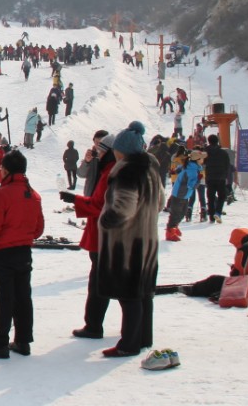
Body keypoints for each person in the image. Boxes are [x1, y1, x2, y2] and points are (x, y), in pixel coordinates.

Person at [95, 121, 163, 358]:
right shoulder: (150, 169)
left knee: (129, 295)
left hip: (127, 243)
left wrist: (105, 220)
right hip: (148, 238)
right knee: (144, 293)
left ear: (121, 150)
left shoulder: (127, 171)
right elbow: (161, 202)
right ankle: (143, 337)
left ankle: (129, 343)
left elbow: (124, 207)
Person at [0, 150, 44, 358]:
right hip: (24, 251)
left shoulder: (1, 194)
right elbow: (38, 228)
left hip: (2, 253)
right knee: (23, 297)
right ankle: (23, 340)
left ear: (5, 170)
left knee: (3, 298)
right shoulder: (33, 194)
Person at [62, 132, 115, 340]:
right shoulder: (103, 165)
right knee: (101, 279)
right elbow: (82, 173)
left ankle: (94, 325)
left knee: (100, 281)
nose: (97, 152)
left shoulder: (111, 171)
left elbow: (100, 204)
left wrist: (76, 200)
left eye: (101, 149)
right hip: (96, 219)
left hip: (102, 228)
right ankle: (95, 323)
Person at [158, 228, 248, 301]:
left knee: (214, 281)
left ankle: (191, 289)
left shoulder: (247, 248)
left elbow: (238, 275)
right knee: (217, 282)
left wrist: (233, 269)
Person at [164, 149, 201, 241]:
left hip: (183, 194)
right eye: (202, 158)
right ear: (197, 160)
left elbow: (178, 169)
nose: (203, 160)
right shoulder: (192, 170)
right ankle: (170, 233)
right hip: (180, 194)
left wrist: (174, 171)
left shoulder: (190, 165)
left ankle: (174, 227)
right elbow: (191, 185)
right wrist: (198, 180)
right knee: (176, 214)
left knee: (182, 213)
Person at [203, 134, 231, 223]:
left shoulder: (206, 153)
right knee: (222, 196)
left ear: (209, 141)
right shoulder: (223, 153)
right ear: (217, 141)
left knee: (210, 197)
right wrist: (225, 175)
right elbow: (227, 165)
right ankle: (218, 212)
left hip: (210, 177)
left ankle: (211, 216)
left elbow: (202, 163)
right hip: (221, 178)